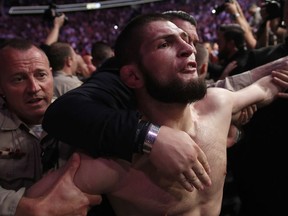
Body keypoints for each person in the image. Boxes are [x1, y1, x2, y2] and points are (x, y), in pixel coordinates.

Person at [27, 13, 288, 215]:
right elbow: (35, 206)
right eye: (165, 43)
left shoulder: (218, 103)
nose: (189, 49)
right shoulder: (111, 164)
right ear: (132, 75)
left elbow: (263, 87)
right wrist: (150, 138)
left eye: (187, 40)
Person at [0, 38, 101, 216]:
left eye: (41, 75)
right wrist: (21, 208)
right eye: (18, 79)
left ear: (51, 74)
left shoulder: (79, 116)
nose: (34, 88)